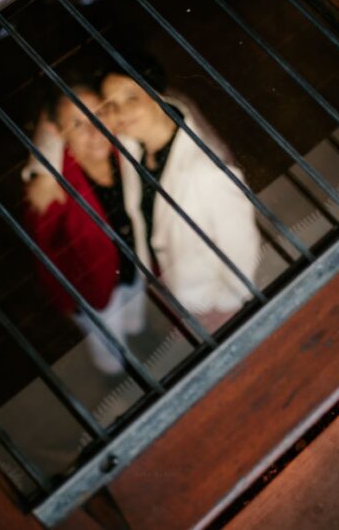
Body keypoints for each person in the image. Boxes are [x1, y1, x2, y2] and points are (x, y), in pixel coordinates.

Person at [99, 60, 260, 332]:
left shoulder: (207, 171)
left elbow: (243, 257)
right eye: (112, 105)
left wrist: (219, 307)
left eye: (131, 97)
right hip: (170, 292)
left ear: (157, 93)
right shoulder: (132, 147)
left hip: (214, 308)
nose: (121, 112)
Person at [22, 81, 150, 374]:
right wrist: (66, 303)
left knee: (135, 315)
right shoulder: (51, 188)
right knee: (109, 348)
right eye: (78, 124)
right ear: (60, 134)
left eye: (99, 114)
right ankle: (115, 373)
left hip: (136, 268)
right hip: (94, 295)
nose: (95, 131)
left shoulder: (125, 148)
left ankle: (137, 333)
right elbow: (44, 255)